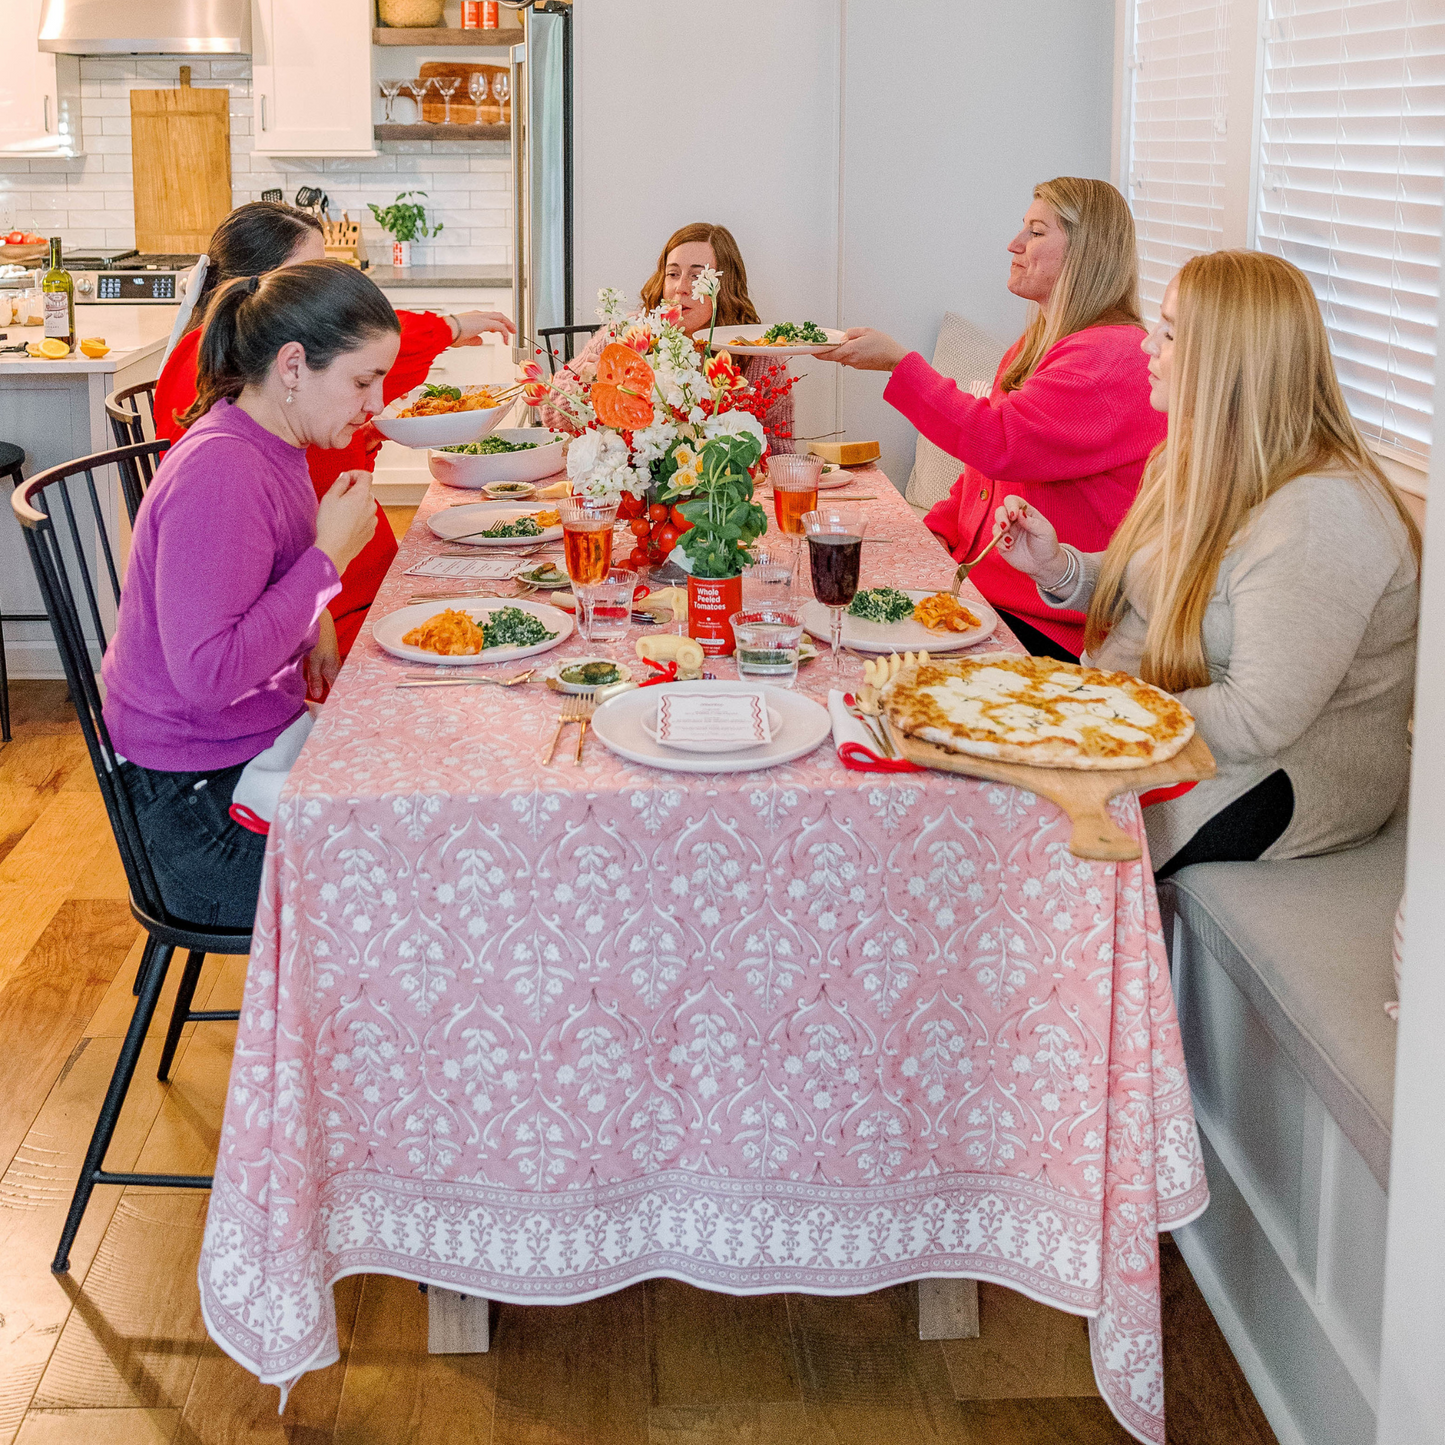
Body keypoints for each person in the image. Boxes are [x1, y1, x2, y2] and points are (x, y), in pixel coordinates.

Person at [992, 250, 1420, 875]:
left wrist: (1101, 709)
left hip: (1270, 775)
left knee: (1031, 847)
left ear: (1226, 360)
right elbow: (1154, 585)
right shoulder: (1193, 458)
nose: (1146, 345)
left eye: (1169, 331)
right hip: (1158, 728)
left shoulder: (1320, 512)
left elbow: (1257, 720)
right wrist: (1059, 567)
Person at [103, 261, 400, 927]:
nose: (376, 403)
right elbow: (209, 675)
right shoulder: (222, 473)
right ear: (292, 365)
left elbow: (250, 589)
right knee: (429, 870)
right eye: (363, 380)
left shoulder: (268, 443)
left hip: (240, 756)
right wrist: (327, 564)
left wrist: (313, 620)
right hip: (194, 817)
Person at [154, 201, 515, 665]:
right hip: (307, 635)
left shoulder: (270, 401)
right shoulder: (223, 459)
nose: (325, 295)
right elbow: (212, 660)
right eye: (308, 277)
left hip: (324, 603)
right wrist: (321, 582)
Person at [818, 178, 1164, 661]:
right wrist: (931, 537)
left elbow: (998, 442)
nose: (1015, 244)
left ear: (1086, 252)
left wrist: (901, 364)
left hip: (1047, 626)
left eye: (1037, 232)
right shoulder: (1034, 347)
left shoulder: (1114, 357)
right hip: (982, 600)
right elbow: (981, 481)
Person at [537, 221, 796, 453]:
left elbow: (781, 454)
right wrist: (591, 387)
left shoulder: (759, 358)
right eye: (672, 274)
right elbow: (548, 408)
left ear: (724, 286)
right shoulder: (626, 335)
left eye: (697, 276)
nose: (680, 288)